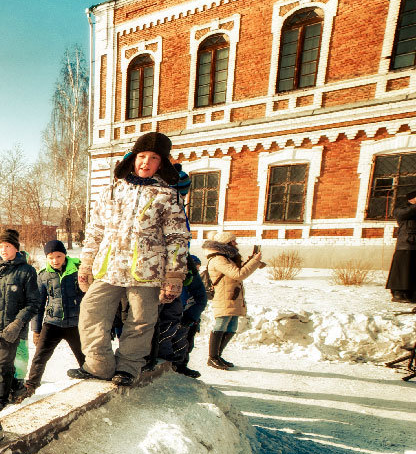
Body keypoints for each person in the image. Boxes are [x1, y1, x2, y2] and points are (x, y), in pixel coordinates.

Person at [72, 132, 189, 387]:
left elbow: (178, 239)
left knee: (140, 321)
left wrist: (174, 275)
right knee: (91, 311)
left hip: (146, 270)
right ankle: (98, 365)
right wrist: (86, 264)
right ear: (133, 158)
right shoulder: (112, 191)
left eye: (153, 158)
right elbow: (95, 230)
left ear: (162, 163)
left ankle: (128, 368)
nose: (145, 162)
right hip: (109, 267)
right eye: (142, 156)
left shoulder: (168, 197)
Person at [0, 228, 39, 408]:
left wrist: (18, 323)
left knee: (4, 365)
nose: (3, 250)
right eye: (1, 246)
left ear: (16, 248)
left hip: (12, 327)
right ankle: (15, 387)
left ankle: (1, 399)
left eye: (8, 246)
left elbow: (33, 303)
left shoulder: (27, 271)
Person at [25, 239, 85, 393]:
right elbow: (38, 305)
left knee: (84, 356)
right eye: (51, 257)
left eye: (58, 256)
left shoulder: (78, 270)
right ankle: (31, 385)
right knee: (40, 357)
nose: (55, 261)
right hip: (52, 323)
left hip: (75, 324)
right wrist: (36, 330)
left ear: (64, 255)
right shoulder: (43, 275)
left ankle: (90, 381)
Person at [201, 230, 265, 370]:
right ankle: (212, 357)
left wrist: (252, 262)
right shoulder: (218, 259)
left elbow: (237, 271)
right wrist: (254, 261)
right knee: (221, 324)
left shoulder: (227, 257)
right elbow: (238, 274)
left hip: (232, 296)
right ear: (226, 243)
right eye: (233, 241)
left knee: (231, 327)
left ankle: (217, 356)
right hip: (224, 296)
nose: (236, 243)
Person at [385, 190, 416, 303]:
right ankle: (398, 294)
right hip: (405, 245)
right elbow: (404, 213)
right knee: (401, 270)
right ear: (411, 199)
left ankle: (410, 294)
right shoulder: (401, 209)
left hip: (414, 246)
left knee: (412, 271)